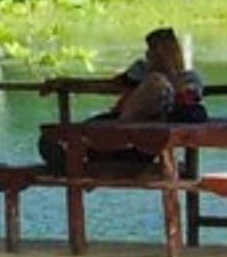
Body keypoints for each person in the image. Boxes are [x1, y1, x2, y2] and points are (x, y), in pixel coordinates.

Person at [35, 26, 207, 175]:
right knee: (49, 140)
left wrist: (167, 84)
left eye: (156, 50)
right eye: (150, 50)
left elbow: (190, 104)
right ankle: (80, 160)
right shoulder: (141, 71)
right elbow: (108, 86)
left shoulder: (188, 79)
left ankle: (114, 135)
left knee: (156, 82)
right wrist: (66, 83)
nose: (150, 55)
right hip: (112, 133)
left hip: (142, 143)